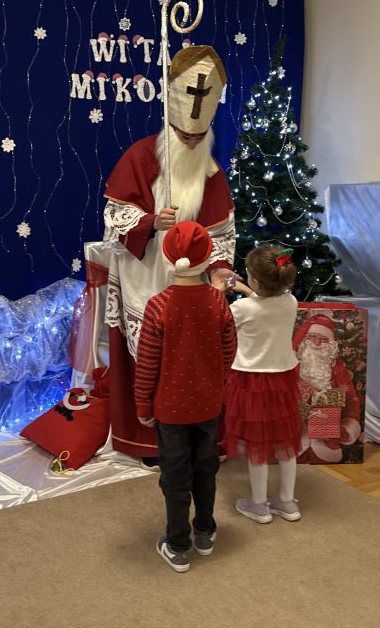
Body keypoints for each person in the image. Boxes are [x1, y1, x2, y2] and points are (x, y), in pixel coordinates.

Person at [102, 44, 237, 463]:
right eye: (184, 136)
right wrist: (149, 222)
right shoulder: (140, 157)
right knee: (150, 359)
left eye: (198, 137)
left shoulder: (211, 171)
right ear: (171, 126)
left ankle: (196, 440)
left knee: (191, 362)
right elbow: (115, 217)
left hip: (192, 286)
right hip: (146, 276)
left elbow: (221, 232)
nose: (192, 142)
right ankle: (150, 442)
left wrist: (220, 269)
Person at [134, 221, 237, 572]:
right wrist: (214, 381)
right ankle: (205, 531)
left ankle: (178, 545)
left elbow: (147, 363)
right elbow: (229, 351)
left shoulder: (158, 305)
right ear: (208, 257)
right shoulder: (217, 301)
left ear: (168, 257)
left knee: (175, 475)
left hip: (171, 409)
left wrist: (143, 404)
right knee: (206, 468)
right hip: (208, 404)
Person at [218, 245, 303, 524]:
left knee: (256, 444)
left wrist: (222, 292)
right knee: (284, 441)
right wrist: (248, 290)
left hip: (249, 380)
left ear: (254, 279)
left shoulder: (240, 309)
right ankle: (287, 501)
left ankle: (258, 505)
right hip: (282, 378)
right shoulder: (291, 302)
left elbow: (223, 322)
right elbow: (265, 305)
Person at [294, 312, 362, 463]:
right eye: (313, 336)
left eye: (323, 339)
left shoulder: (337, 368)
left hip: (326, 435)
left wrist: (347, 428)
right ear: (305, 339)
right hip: (296, 431)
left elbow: (351, 399)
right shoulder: (293, 366)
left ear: (330, 344)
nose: (317, 343)